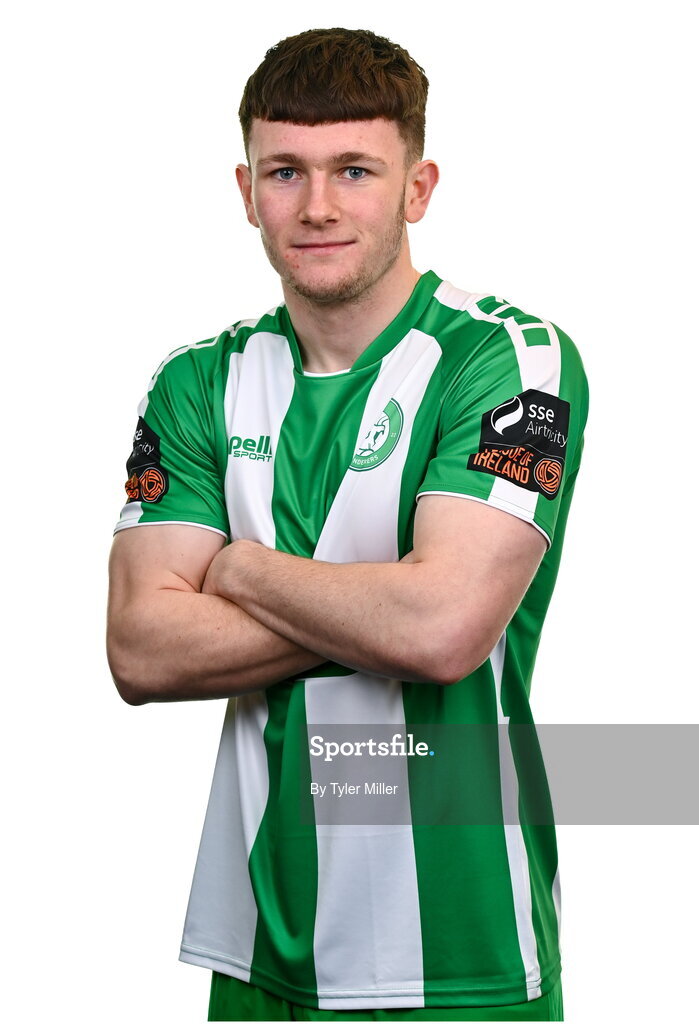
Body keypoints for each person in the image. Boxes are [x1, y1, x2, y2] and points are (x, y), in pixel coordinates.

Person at [107, 26, 587, 1023]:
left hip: (462, 953)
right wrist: (388, 600)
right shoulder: (197, 383)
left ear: (418, 188)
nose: (317, 205)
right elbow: (143, 649)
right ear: (246, 191)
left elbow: (442, 631)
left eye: (354, 170)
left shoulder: (508, 359)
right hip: (259, 943)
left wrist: (238, 568)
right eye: (285, 171)